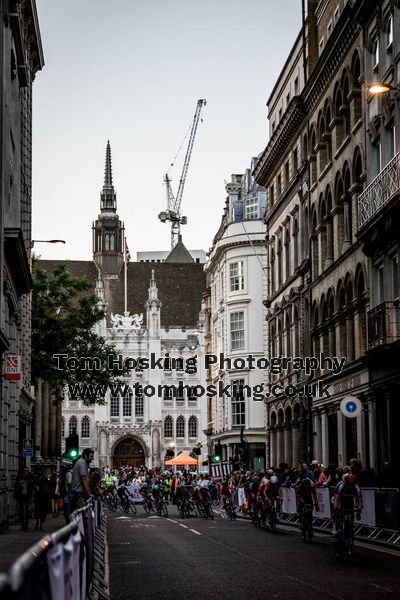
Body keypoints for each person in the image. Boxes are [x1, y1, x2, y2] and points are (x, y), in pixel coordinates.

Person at [65, 448, 94, 520]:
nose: (92, 458)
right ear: (85, 456)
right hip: (77, 492)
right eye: (91, 456)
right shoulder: (82, 462)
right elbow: (84, 479)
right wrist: (89, 493)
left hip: (78, 492)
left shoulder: (84, 463)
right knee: (78, 515)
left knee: (77, 514)